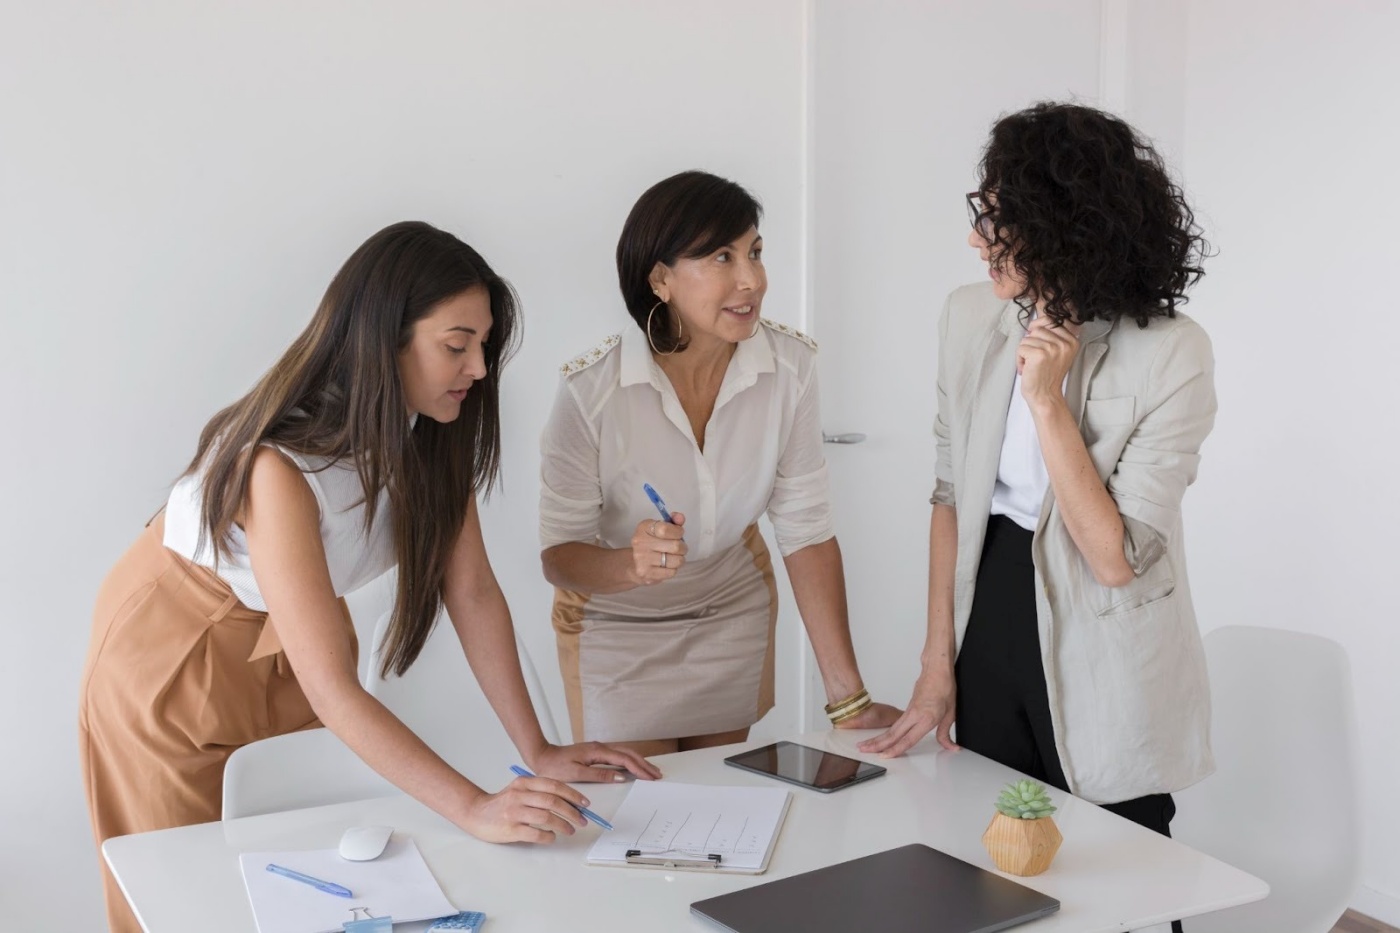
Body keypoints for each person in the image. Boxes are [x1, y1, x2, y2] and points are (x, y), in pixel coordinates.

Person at [79, 221, 659, 933]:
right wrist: (474, 808)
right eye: (457, 345)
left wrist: (537, 750)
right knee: (183, 896)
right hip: (176, 649)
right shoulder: (278, 466)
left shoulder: (430, 439)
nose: (479, 369)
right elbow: (333, 690)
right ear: (383, 340)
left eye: (483, 346)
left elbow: (472, 592)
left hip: (291, 639)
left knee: (310, 879)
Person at [861, 102, 1217, 900]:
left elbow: (1115, 559)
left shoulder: (1171, 351)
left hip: (1105, 621)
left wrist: (1049, 401)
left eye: (997, 218)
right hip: (993, 599)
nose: (976, 238)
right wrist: (936, 664)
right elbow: (951, 494)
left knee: (1123, 863)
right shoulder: (968, 316)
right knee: (997, 848)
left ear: (1064, 224)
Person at [538, 170, 900, 757]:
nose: (751, 279)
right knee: (644, 804)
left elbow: (806, 530)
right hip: (616, 623)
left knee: (719, 793)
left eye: (755, 252)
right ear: (660, 279)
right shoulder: (591, 391)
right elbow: (559, 554)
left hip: (731, 608)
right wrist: (630, 565)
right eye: (722, 258)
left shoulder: (791, 367)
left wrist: (848, 701)